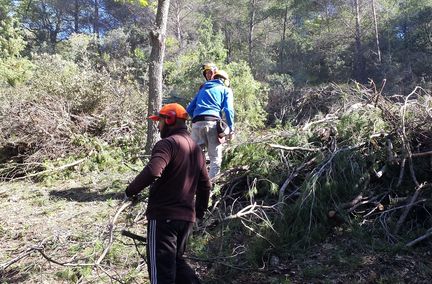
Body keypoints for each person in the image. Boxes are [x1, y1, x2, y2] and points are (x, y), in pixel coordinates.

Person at [125, 103, 211, 284]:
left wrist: (130, 190)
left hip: (164, 217)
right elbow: (205, 185)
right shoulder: (196, 149)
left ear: (170, 119)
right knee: (176, 264)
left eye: (160, 121)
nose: (158, 126)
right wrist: (199, 212)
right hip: (186, 219)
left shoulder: (167, 144)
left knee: (161, 274)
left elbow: (153, 171)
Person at [186, 69, 234, 180]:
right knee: (215, 158)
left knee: (193, 158)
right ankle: (210, 188)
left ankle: (189, 186)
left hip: (196, 124)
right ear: (225, 81)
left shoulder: (202, 89)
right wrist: (231, 129)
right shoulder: (225, 90)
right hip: (212, 124)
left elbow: (189, 109)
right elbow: (228, 110)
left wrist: (198, 118)